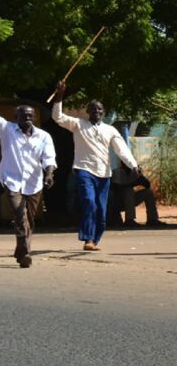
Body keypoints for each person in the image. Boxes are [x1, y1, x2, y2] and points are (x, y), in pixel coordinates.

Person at [52, 81, 141, 251]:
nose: (97, 112)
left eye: (99, 109)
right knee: (89, 203)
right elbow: (58, 117)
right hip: (84, 170)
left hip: (104, 173)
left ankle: (94, 239)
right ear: (88, 112)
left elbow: (121, 149)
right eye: (93, 109)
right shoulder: (78, 124)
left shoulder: (110, 130)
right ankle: (87, 238)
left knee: (101, 208)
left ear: (103, 112)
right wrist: (59, 95)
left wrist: (133, 165)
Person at [0, 78, 56, 268]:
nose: (28, 118)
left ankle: (20, 249)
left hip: (34, 182)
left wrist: (49, 174)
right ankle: (26, 254)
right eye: (24, 116)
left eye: (30, 116)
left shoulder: (44, 136)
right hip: (11, 179)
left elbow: (49, 158)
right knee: (19, 213)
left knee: (29, 219)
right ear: (17, 117)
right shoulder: (7, 129)